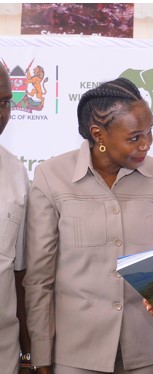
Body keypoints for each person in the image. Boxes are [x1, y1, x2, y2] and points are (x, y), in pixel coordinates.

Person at [24, 77, 153, 373]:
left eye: (150, 132)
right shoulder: (51, 176)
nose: (147, 144)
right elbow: (39, 278)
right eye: (134, 137)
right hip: (76, 355)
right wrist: (40, 358)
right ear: (99, 134)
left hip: (146, 353)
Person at [0, 65, 33, 373]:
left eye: (5, 102)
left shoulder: (15, 173)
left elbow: (20, 273)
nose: (1, 113)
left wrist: (27, 354)